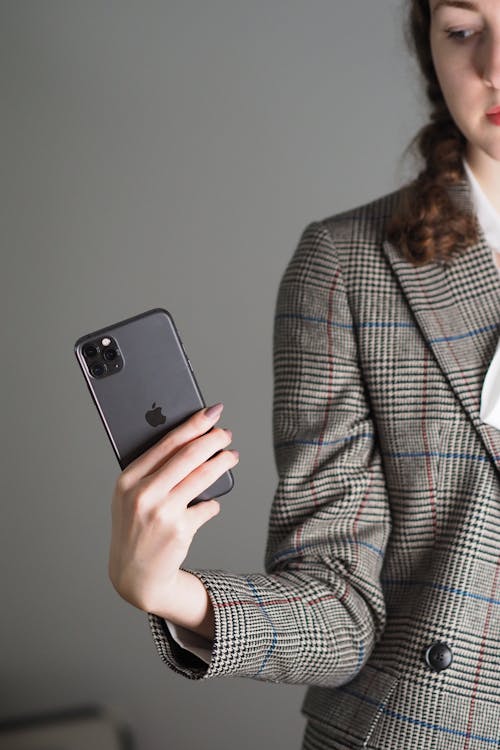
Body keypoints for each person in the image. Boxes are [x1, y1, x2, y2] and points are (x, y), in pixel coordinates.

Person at [107, 0, 500, 746]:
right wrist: (169, 589)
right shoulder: (347, 265)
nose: (495, 67)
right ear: (429, 49)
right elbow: (342, 608)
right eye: (463, 30)